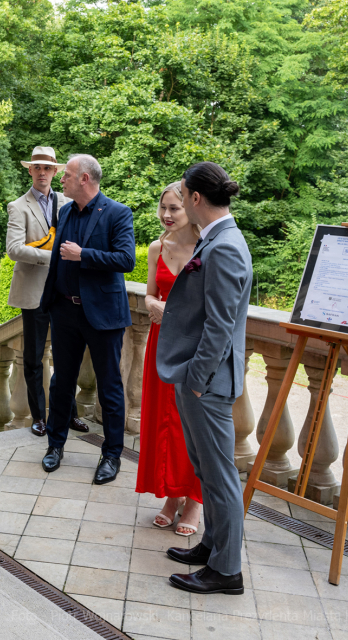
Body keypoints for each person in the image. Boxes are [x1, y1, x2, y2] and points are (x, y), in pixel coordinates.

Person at [156, 162, 252, 596]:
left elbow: (220, 324)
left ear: (195, 199)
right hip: (199, 379)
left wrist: (195, 378)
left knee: (219, 476)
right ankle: (212, 547)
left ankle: (226, 571)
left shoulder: (226, 245)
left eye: (182, 195)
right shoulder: (215, 239)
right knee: (206, 470)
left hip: (207, 382)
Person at [38, 154, 135, 484]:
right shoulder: (64, 211)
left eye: (65, 175)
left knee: (109, 387)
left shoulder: (118, 213)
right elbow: (55, 260)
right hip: (64, 310)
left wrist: (84, 255)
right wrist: (48, 301)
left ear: (84, 179)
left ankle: (111, 456)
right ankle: (55, 446)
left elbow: (125, 259)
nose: (60, 180)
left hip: (103, 315)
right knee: (61, 381)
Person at [135, 183, 204, 536]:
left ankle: (193, 501)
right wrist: (152, 304)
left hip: (193, 347)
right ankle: (170, 496)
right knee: (162, 420)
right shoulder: (156, 247)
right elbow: (148, 294)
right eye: (163, 207)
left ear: (191, 207)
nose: (166, 214)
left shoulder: (208, 248)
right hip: (161, 345)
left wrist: (173, 313)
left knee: (188, 427)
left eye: (174, 208)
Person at [6, 147, 86, 437]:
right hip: (34, 292)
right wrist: (51, 256)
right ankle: (39, 417)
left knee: (68, 356)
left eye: (48, 168)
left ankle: (70, 413)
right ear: (30, 170)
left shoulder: (68, 202)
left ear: (56, 172)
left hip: (64, 291)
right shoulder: (18, 206)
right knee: (34, 358)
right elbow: (14, 249)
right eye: (37, 167)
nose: (42, 172)